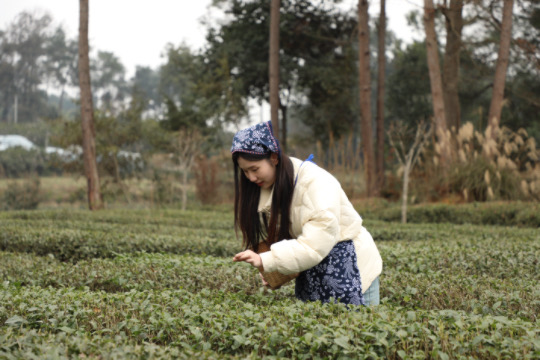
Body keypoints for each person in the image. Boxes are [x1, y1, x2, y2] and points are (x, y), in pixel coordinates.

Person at [231, 121, 382, 306]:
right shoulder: (274, 187)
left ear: (274, 158)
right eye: (245, 171)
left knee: (358, 331)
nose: (251, 178)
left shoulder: (315, 183)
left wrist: (266, 259)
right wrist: (275, 267)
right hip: (314, 268)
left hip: (352, 271)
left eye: (254, 169)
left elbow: (313, 245)